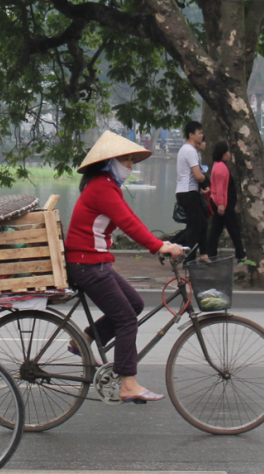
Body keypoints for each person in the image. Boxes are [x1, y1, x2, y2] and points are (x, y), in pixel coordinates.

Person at [63, 131, 184, 404]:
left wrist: (160, 242)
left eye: (132, 161)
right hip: (87, 264)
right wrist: (157, 247)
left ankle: (81, 339)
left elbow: (130, 218)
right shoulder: (102, 187)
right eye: (126, 160)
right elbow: (128, 225)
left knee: (135, 304)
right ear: (111, 161)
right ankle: (128, 384)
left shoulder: (106, 186)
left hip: (95, 262)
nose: (130, 166)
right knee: (126, 318)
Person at [172, 120, 209, 253]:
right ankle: (185, 256)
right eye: (199, 133)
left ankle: (203, 255)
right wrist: (207, 179)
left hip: (187, 191)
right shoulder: (189, 150)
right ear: (191, 135)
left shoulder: (187, 150)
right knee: (195, 227)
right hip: (188, 192)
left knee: (201, 224)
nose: (201, 135)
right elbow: (198, 176)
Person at [205, 140, 244, 262]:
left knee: (215, 231)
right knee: (234, 229)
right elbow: (220, 188)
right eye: (227, 151)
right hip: (223, 204)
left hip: (221, 203)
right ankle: (241, 255)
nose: (229, 154)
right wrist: (221, 205)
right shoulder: (221, 168)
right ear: (223, 153)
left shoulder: (218, 165)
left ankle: (211, 255)